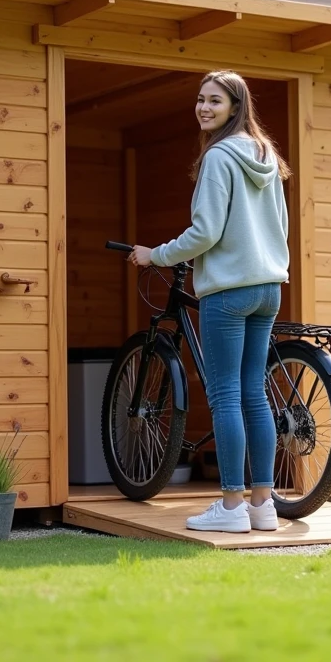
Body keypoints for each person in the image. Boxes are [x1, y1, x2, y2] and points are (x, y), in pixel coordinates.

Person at [127, 70, 291, 533]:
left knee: (224, 397)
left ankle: (232, 506)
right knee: (253, 394)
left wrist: (154, 254)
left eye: (214, 101)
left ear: (236, 107)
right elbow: (280, 226)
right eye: (200, 100)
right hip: (268, 287)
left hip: (231, 290)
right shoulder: (265, 153)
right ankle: (263, 506)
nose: (204, 108)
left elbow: (205, 233)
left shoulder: (220, 157)